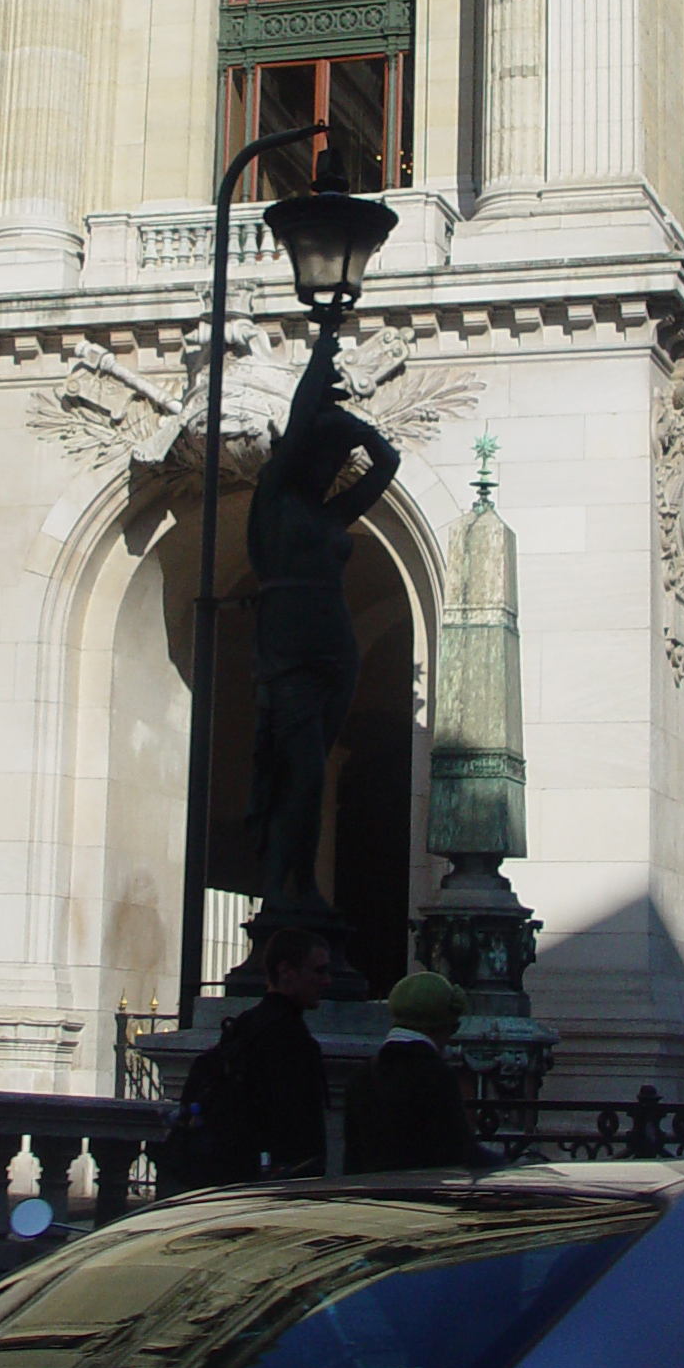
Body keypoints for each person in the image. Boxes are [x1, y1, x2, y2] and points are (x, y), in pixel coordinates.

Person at [246, 312, 400, 911]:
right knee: (300, 772)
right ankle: (288, 885)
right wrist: (322, 349)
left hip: (334, 646)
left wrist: (357, 428)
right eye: (322, 454)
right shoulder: (276, 495)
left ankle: (291, 883)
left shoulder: (328, 512)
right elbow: (300, 418)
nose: (327, 466)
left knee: (310, 767)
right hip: (289, 644)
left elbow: (386, 466)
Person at [162, 927, 331, 1189]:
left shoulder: (245, 1025)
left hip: (228, 1178)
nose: (327, 981)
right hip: (270, 1186)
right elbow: (297, 1130)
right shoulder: (289, 1037)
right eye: (318, 971)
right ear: (286, 971)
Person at [344, 972, 488, 1174]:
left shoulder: (361, 1075)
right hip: (418, 1197)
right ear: (441, 1026)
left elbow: (352, 1159)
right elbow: (456, 1151)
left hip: (371, 1197)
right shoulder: (437, 1075)